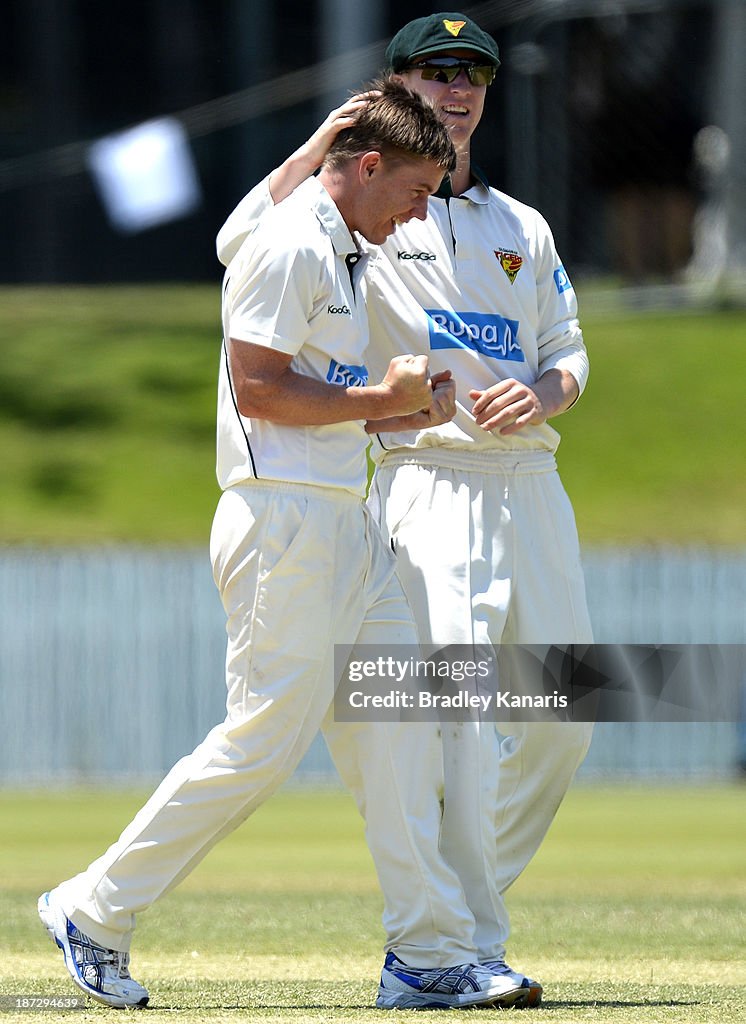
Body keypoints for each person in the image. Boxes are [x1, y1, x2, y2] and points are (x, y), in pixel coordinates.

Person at [37, 80, 529, 1012]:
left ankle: (427, 954)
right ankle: (93, 908)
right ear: (370, 167)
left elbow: (253, 267)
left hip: (346, 518)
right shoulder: (295, 240)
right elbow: (257, 387)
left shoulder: (339, 240)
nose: (423, 213)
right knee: (263, 740)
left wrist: (397, 417)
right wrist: (382, 405)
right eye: (417, 191)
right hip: (282, 525)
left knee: (398, 730)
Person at [217, 12, 596, 1008]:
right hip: (427, 479)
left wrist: (546, 393)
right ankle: (458, 943)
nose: (458, 87)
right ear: (393, 90)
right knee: (458, 721)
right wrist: (321, 145)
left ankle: (455, 919)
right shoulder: (364, 214)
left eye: (473, 73)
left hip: (531, 484)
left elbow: (566, 347)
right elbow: (236, 243)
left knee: (562, 718)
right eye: (435, 71)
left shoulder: (521, 224)